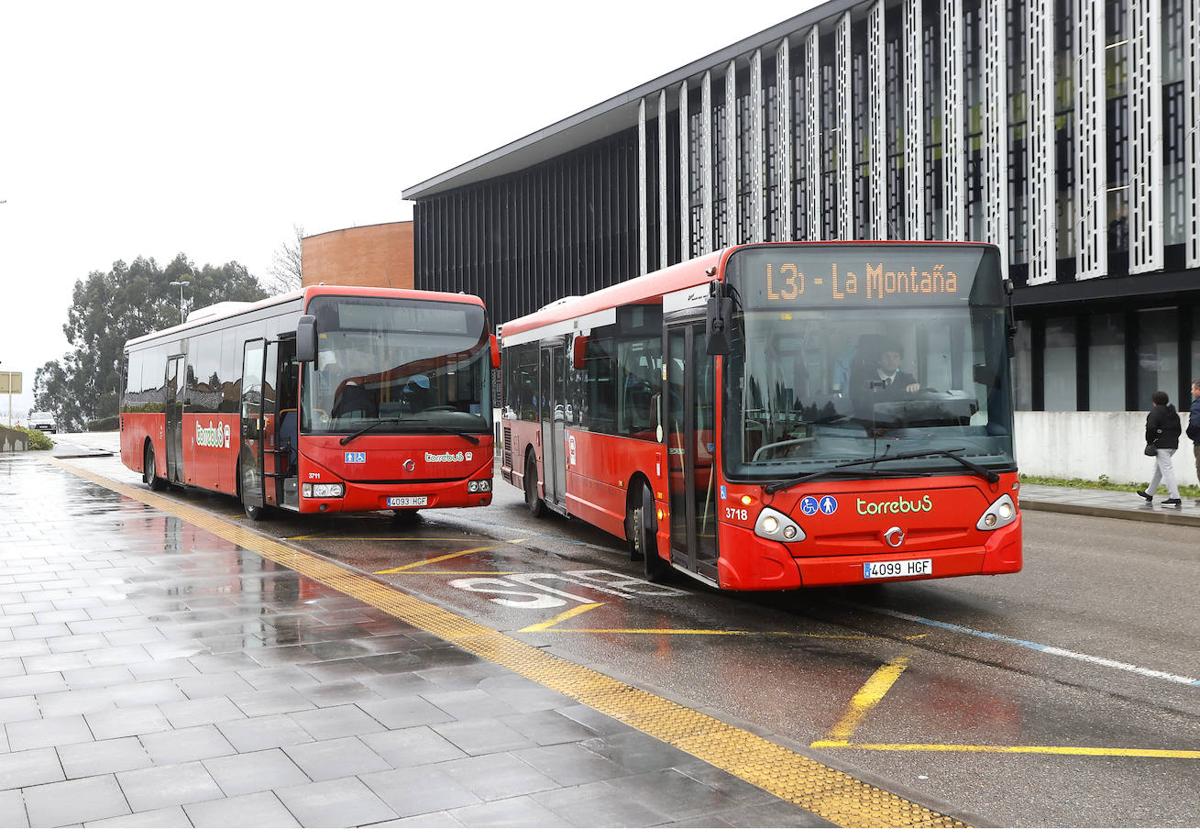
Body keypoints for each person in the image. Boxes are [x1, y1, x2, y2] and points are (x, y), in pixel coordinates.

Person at [1137, 390, 1182, 509]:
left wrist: (1150, 442)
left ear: (1154, 401)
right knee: (1158, 469)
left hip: (1161, 446)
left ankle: (1175, 496)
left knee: (1167, 469)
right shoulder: (1172, 412)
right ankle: (1149, 493)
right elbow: (1179, 430)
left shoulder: (1155, 412)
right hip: (1173, 445)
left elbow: (1150, 428)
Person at [1187, 379, 1200, 505]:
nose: (1191, 391)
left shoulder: (1197, 404)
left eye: (1193, 389)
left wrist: (1190, 434)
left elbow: (1195, 423)